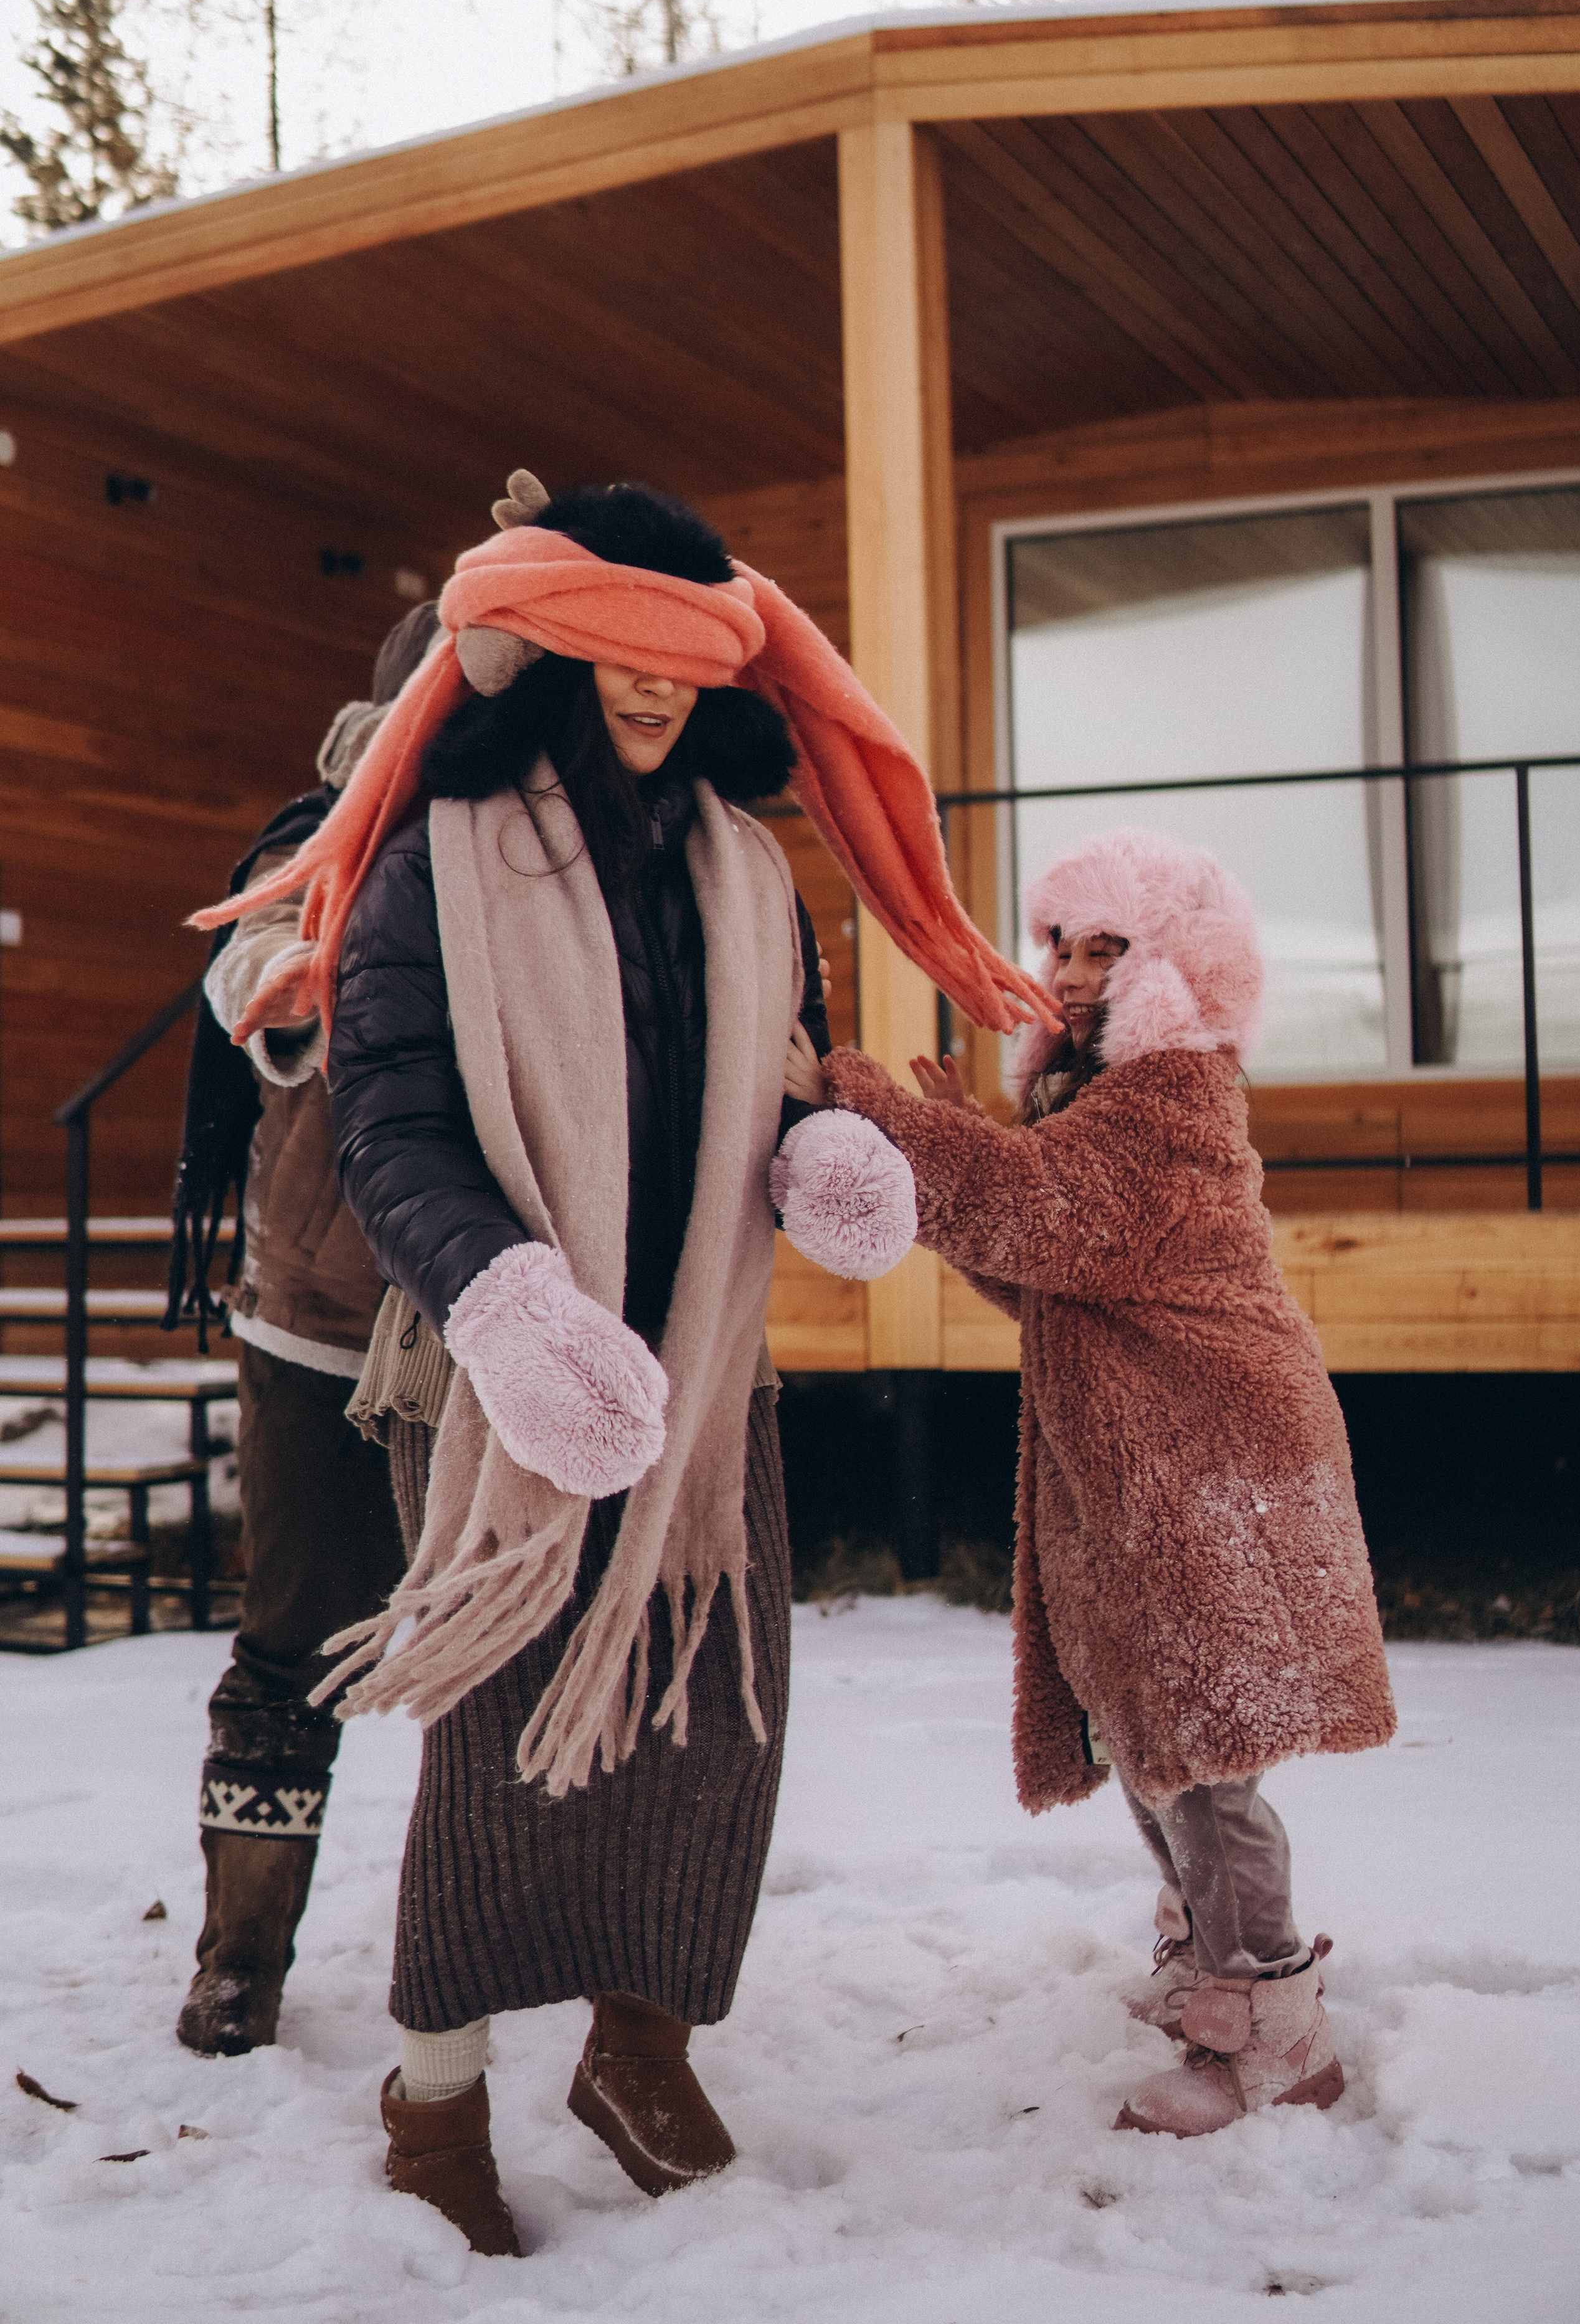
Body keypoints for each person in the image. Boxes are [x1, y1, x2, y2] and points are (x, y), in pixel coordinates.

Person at [190, 471, 1047, 2254]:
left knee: (707, 1721)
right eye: (615, 660)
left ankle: (641, 2044)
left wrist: (824, 1160)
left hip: (707, 1380)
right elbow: (397, 1122)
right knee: (504, 1737)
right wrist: (506, 1304)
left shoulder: (745, 866)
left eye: (678, 666)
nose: (649, 693)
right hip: (506, 1370)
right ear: (552, 660)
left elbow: (791, 1068)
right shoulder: (440, 860)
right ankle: (435, 2095)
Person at [793, 824, 1397, 2138]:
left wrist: (859, 1098)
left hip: (1211, 1464)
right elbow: (1035, 1260)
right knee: (1147, 1731)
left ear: (1178, 967)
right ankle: (1204, 1958)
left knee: (1205, 1754)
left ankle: (1273, 2028)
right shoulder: (1089, 1107)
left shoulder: (1169, 1100)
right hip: (1144, 1475)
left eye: (1105, 947)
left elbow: (1040, 1209)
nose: (1066, 972)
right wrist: (950, 1138)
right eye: (1058, 942)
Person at [166, 605, 437, 2058]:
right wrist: (295, 985)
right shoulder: (322, 836)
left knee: (513, 1657)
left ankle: (498, 1949)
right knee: (291, 1651)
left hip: (504, 1330)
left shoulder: (553, 837)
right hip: (325, 1325)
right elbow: (255, 966)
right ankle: (239, 1956)